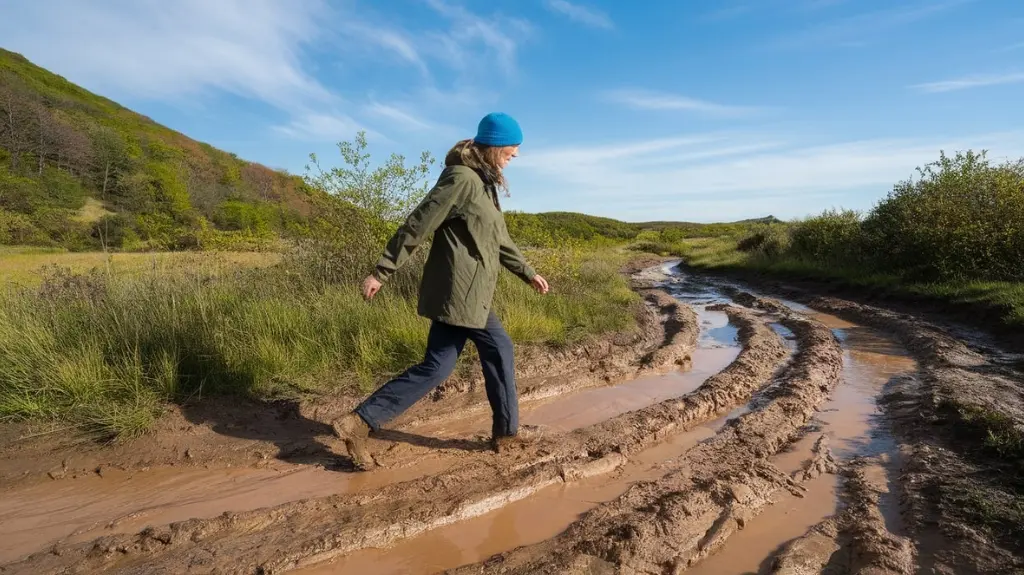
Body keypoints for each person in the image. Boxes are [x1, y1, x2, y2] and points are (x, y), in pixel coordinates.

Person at [332, 112, 550, 471]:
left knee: (438, 366)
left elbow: (498, 238)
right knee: (496, 350)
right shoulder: (461, 179)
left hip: (470, 292)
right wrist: (381, 271)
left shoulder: (484, 183)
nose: (516, 155)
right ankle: (506, 436)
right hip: (461, 292)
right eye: (513, 149)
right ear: (495, 145)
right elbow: (418, 224)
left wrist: (527, 272)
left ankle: (358, 423)